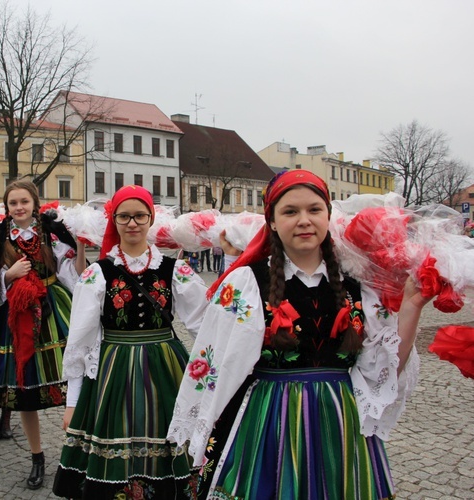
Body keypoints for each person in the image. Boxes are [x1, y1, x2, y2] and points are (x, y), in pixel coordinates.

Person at [167, 170, 429, 499]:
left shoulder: (358, 284)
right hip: (268, 422)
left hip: (339, 422)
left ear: (328, 216)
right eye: (290, 211)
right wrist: (201, 428)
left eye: (314, 210)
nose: (304, 220)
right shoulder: (248, 283)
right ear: (273, 222)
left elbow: (382, 369)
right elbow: (215, 363)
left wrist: (413, 305)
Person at [52, 185, 209, 499]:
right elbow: (80, 343)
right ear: (115, 220)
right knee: (118, 434)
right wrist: (72, 402)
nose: (133, 223)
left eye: (140, 215)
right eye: (124, 216)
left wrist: (207, 384)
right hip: (115, 369)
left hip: (167, 367)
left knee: (168, 437)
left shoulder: (174, 270)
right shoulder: (99, 273)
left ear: (151, 218)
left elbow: (202, 325)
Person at [0, 180, 85, 490]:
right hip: (17, 318)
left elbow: (72, 273)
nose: (19, 207)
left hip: (55, 311)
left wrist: (82, 246)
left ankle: (77, 454)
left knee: (74, 384)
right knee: (25, 394)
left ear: (34, 203)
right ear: (6, 208)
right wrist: (9, 275)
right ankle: (37, 457)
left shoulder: (53, 232)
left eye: (24, 201)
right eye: (12, 203)